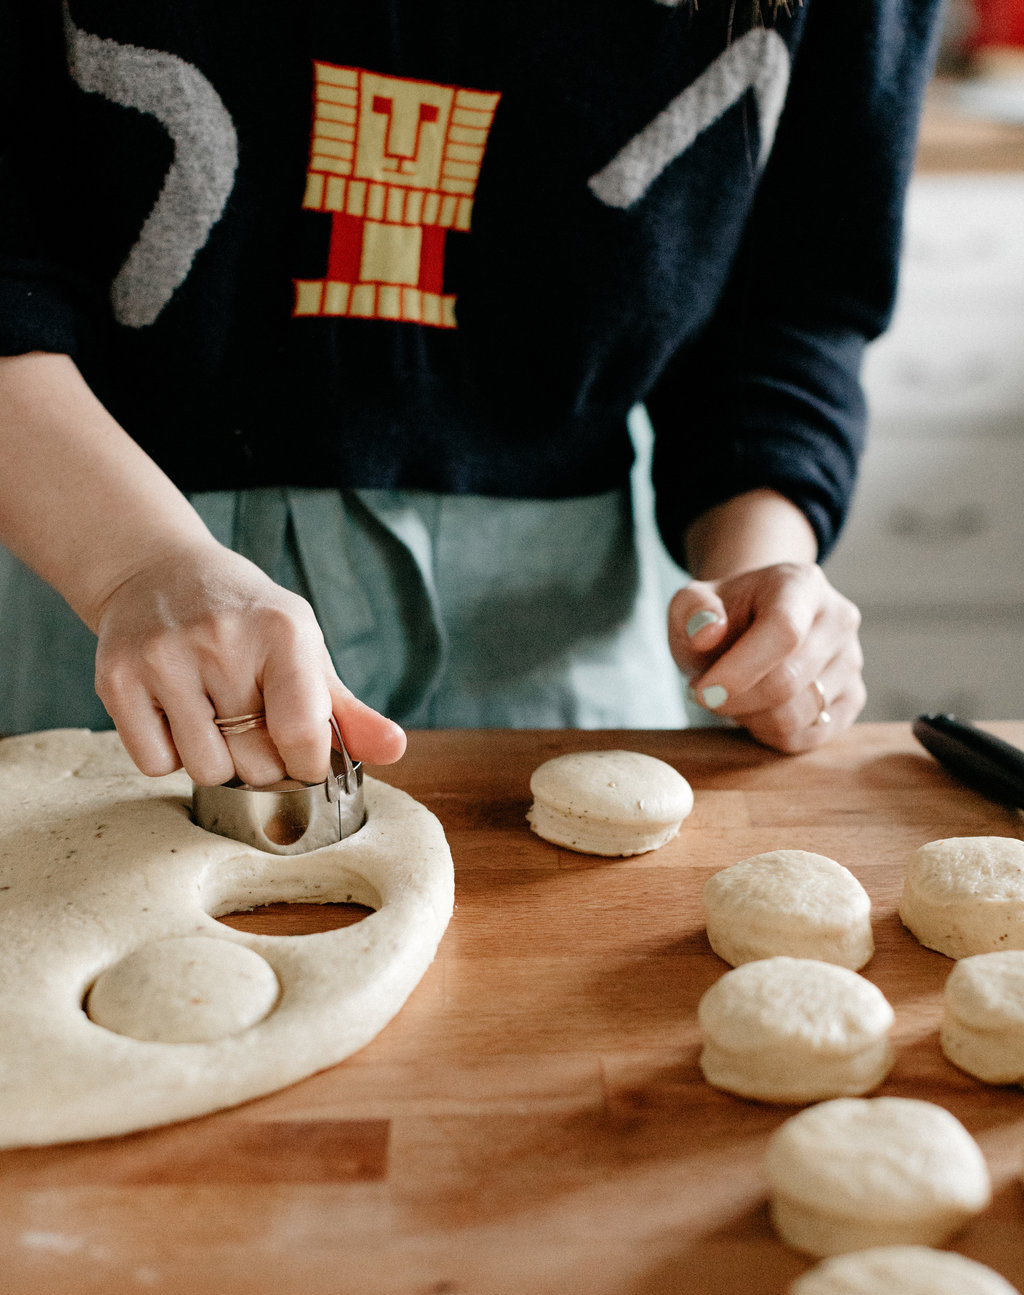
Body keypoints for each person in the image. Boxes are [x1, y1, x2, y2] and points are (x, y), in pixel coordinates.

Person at [0, 0, 943, 788]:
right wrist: (134, 567)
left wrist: (758, 589)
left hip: (566, 634)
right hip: (94, 561)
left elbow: (785, 305)